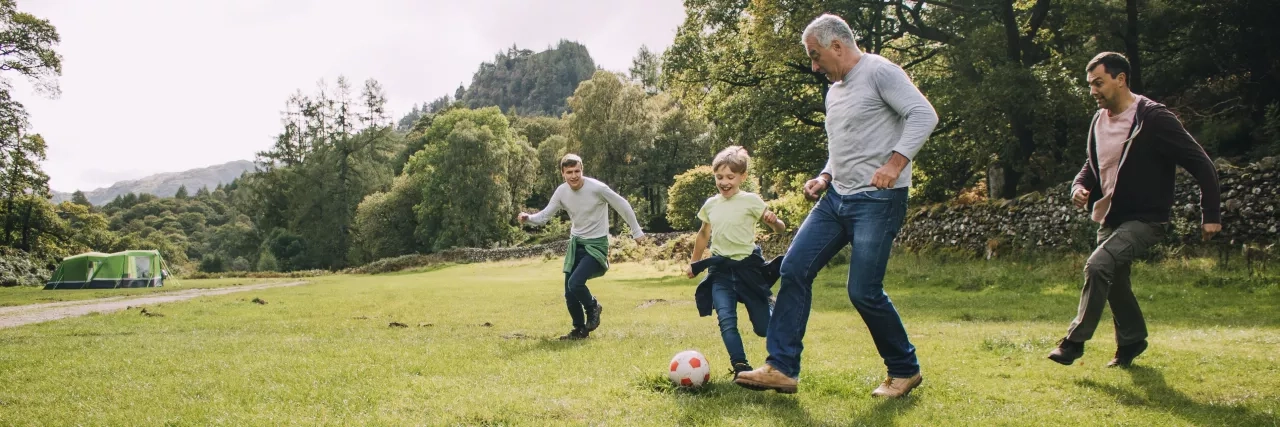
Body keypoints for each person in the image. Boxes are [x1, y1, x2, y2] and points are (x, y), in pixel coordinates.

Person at [734, 13, 938, 398]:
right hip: (836, 198)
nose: (814, 66)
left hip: (877, 201)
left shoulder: (880, 71)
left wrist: (895, 164)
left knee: (863, 290)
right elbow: (844, 145)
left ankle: (904, 369)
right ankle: (781, 367)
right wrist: (825, 176)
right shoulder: (835, 90)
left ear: (837, 47)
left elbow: (923, 114)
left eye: (815, 56)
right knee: (793, 268)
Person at [1048, 52, 1221, 367]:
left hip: (1146, 219)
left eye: (1098, 83)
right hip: (1110, 217)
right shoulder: (1099, 121)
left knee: (1098, 266)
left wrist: (1211, 214)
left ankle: (1073, 343)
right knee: (1114, 282)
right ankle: (1131, 342)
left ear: (1120, 79)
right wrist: (1078, 186)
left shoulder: (1153, 118)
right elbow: (1092, 163)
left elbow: (1200, 162)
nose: (1093, 91)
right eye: (1090, 85)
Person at [519, 154, 647, 340]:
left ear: (582, 170)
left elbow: (623, 205)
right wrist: (528, 218)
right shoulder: (562, 192)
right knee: (569, 293)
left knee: (575, 283)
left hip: (596, 245)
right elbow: (545, 215)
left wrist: (636, 231)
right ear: (563, 173)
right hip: (576, 244)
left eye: (577, 171)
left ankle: (593, 306)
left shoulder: (597, 188)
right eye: (569, 172)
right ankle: (579, 330)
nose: (573, 176)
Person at [685, 146, 787, 379]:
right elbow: (703, 234)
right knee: (726, 320)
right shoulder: (711, 204)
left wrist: (774, 222)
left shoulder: (751, 201)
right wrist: (694, 263)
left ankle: (772, 306)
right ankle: (741, 367)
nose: (724, 182)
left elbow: (779, 229)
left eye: (730, 177)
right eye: (719, 177)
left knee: (763, 329)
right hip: (720, 271)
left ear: (742, 177)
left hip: (748, 270)